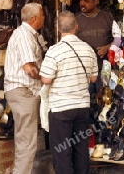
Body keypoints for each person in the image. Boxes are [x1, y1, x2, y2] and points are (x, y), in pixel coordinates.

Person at [40, 10, 98, 174]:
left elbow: (46, 79)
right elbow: (93, 78)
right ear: (76, 27)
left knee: (62, 152)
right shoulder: (88, 49)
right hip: (81, 107)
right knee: (81, 150)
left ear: (58, 29)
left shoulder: (54, 51)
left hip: (61, 110)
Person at [4, 2, 46, 174]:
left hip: (24, 91)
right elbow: (29, 68)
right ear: (35, 18)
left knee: (26, 139)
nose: (44, 18)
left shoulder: (28, 35)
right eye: (43, 15)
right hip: (23, 91)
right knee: (27, 141)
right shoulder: (24, 35)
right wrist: (46, 78)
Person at [75, 0, 120, 96]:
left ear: (96, 2)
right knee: (86, 104)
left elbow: (119, 39)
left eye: (86, 1)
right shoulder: (75, 21)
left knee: (105, 101)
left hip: (105, 69)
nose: (82, 4)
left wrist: (107, 47)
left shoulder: (107, 17)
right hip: (84, 71)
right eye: (81, 0)